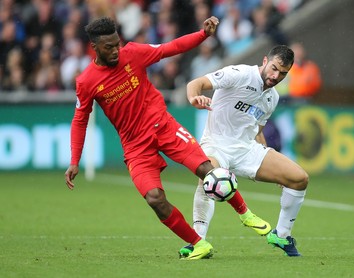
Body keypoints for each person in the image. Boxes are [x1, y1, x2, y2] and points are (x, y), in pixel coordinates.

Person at [64, 16, 224, 260]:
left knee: (208, 170)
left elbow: (170, 48)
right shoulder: (86, 81)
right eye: (109, 47)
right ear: (95, 48)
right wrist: (75, 160)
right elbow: (80, 119)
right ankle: (198, 243)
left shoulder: (133, 53)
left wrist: (203, 35)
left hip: (163, 127)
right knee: (154, 198)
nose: (116, 50)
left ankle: (246, 214)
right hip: (135, 146)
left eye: (117, 44)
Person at [179, 45, 308, 257]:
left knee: (299, 178)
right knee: (208, 178)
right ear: (265, 61)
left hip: (247, 149)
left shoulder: (272, 98)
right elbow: (196, 83)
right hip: (217, 144)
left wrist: (272, 161)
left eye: (283, 73)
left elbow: (257, 129)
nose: (276, 76)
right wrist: (195, 98)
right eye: (274, 68)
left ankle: (282, 235)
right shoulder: (239, 74)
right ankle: (197, 241)